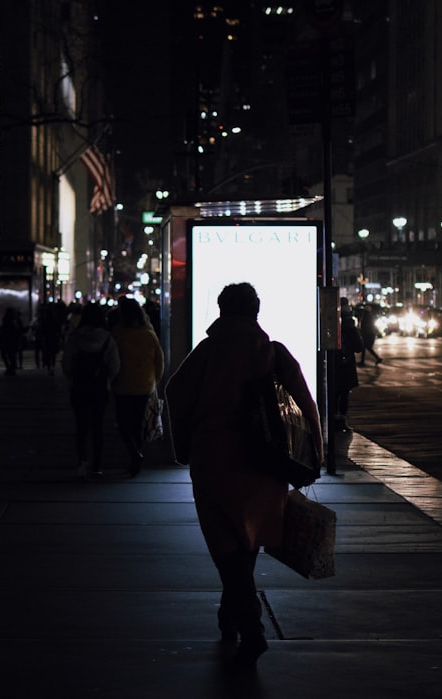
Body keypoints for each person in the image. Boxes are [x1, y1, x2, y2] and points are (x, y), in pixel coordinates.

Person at [167, 282, 324, 670]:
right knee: (247, 540)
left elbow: (175, 392)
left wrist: (182, 448)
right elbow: (306, 405)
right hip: (264, 465)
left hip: (214, 461)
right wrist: (313, 458)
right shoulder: (274, 353)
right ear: (256, 311)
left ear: (221, 310)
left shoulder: (206, 352)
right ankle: (231, 613)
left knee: (224, 546)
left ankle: (249, 626)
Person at [62, 303, 121, 477]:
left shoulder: (75, 337)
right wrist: (107, 379)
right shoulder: (107, 338)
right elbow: (115, 365)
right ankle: (97, 464)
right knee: (97, 426)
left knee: (81, 426)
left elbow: (66, 363)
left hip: (79, 387)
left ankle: (81, 461)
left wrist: (73, 378)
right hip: (99, 388)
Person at [110, 296, 165, 476]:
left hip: (123, 385)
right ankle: (137, 456)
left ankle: (134, 454)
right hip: (144, 385)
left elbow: (112, 361)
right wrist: (154, 380)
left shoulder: (118, 334)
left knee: (123, 423)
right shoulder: (149, 334)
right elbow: (159, 361)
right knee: (138, 424)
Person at [337, 298, 364, 431]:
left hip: (334, 365)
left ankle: (332, 418)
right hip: (346, 365)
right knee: (344, 394)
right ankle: (342, 420)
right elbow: (359, 347)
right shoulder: (350, 327)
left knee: (334, 393)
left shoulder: (332, 324)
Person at [0, 307, 23, 375]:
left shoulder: (6, 320)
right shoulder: (15, 321)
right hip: (14, 341)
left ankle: (9, 368)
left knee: (5, 354)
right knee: (12, 356)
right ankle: (11, 369)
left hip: (6, 341)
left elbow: (3, 330)